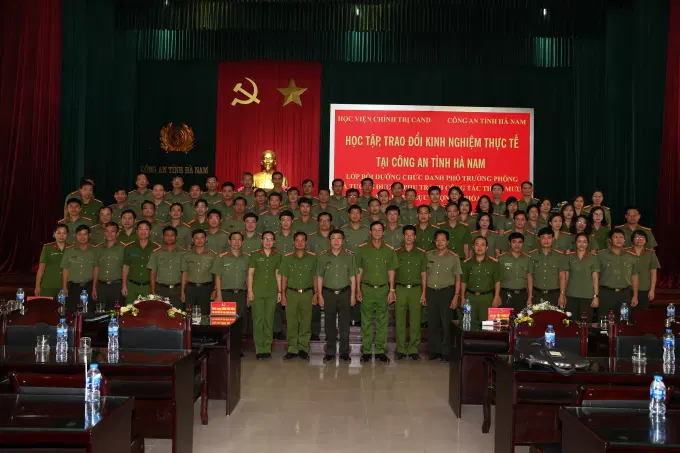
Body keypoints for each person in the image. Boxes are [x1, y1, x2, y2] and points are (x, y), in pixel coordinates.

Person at [355, 221, 398, 363]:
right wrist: (358, 289)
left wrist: (392, 289)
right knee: (366, 321)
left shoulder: (389, 250)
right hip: (366, 289)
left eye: (380, 230)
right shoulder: (362, 249)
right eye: (374, 230)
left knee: (382, 321)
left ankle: (380, 350)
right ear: (370, 232)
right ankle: (366, 351)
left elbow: (391, 271)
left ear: (383, 232)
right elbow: (359, 270)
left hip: (383, 289)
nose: (377, 232)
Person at [316, 230, 358, 362]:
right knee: (329, 324)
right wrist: (319, 295)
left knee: (344, 324)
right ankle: (330, 352)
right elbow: (319, 277)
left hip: (345, 293)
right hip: (328, 294)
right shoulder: (322, 257)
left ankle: (344, 352)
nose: (336, 241)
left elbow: (353, 277)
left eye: (339, 238)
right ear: (329, 241)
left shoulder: (349, 257)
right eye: (333, 238)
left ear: (343, 240)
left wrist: (353, 295)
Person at [425, 230, 462, 362]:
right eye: (437, 240)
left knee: (447, 323)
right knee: (432, 322)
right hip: (431, 292)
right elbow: (424, 274)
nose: (440, 242)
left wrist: (456, 295)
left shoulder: (454, 257)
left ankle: (446, 352)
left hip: (447, 292)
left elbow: (458, 277)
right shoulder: (428, 255)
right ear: (434, 241)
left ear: (447, 242)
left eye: (443, 240)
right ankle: (434, 350)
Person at [279, 232, 317, 360]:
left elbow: (315, 277)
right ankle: (292, 348)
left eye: (302, 240)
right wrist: (283, 295)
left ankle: (304, 349)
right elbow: (284, 278)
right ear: (293, 242)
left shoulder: (313, 258)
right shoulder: (287, 258)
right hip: (291, 294)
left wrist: (316, 293)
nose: (300, 243)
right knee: (291, 322)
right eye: (297, 240)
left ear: (306, 243)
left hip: (307, 293)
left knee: (306, 322)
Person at [393, 225, 427, 360]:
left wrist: (424, 292)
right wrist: (392, 289)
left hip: (416, 289)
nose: (409, 237)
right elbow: (392, 272)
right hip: (400, 289)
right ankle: (401, 348)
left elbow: (424, 274)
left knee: (415, 321)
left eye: (411, 235)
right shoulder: (396, 253)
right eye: (406, 234)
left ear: (415, 237)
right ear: (403, 236)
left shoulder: (421, 253)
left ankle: (413, 348)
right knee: (400, 320)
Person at [248, 231, 282, 359]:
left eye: (271, 239)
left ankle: (267, 347)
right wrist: (250, 291)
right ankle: (259, 348)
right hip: (257, 292)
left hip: (271, 292)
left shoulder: (277, 256)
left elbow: (278, 275)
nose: (268, 242)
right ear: (262, 241)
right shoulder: (255, 255)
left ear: (274, 242)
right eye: (266, 239)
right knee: (258, 320)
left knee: (269, 320)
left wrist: (279, 291)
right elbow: (250, 273)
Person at [213, 232, 251, 337]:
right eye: (234, 239)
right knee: (226, 323)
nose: (236, 242)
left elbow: (248, 278)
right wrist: (219, 296)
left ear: (242, 242)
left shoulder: (247, 258)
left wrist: (248, 295)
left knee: (241, 324)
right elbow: (218, 277)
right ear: (229, 242)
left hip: (241, 294)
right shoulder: (222, 257)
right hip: (226, 294)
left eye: (239, 239)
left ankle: (240, 345)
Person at [598, 228, 639, 318]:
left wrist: (635, 296)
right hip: (605, 293)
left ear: (624, 240)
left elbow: (634, 276)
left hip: (624, 294)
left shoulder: (631, 256)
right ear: (610, 240)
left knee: (623, 322)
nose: (619, 239)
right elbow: (595, 275)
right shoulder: (601, 255)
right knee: (603, 321)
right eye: (616, 237)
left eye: (621, 237)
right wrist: (595, 295)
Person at [460, 236, 501, 323]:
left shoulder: (493, 263)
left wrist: (496, 297)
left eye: (482, 245)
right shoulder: (467, 263)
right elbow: (464, 281)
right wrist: (462, 297)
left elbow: (497, 281)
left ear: (486, 248)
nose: (479, 247)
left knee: (487, 325)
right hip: (470, 298)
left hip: (487, 298)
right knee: (469, 324)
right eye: (477, 244)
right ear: (473, 247)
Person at [60, 224, 97, 312]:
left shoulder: (95, 251)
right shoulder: (69, 250)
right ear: (76, 236)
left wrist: (94, 287)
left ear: (89, 235)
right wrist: (64, 287)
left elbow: (96, 269)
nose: (82, 237)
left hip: (89, 286)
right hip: (73, 288)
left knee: (89, 312)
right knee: (72, 312)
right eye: (79, 234)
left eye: (85, 234)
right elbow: (65, 269)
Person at [564, 233, 600, 322]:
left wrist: (596, 296)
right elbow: (566, 277)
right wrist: (563, 294)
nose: (582, 244)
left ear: (588, 244)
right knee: (571, 323)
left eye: (584, 242)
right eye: (579, 241)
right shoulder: (569, 257)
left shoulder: (593, 258)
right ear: (575, 243)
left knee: (585, 323)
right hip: (571, 295)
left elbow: (595, 278)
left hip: (587, 296)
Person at [181, 229, 217, 313]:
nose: (199, 240)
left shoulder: (212, 255)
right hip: (190, 289)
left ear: (206, 239)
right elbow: (184, 274)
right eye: (196, 238)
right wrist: (182, 291)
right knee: (189, 314)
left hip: (206, 289)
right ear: (192, 240)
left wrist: (215, 290)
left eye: (202, 237)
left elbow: (216, 275)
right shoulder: (187, 255)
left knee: (205, 314)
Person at [530, 228, 568, 307]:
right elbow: (530, 277)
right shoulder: (532, 255)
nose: (546, 240)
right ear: (539, 239)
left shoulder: (560, 256)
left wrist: (562, 295)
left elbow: (562, 276)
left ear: (553, 239)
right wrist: (529, 296)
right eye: (543, 237)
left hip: (554, 294)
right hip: (536, 294)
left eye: (549, 237)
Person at [148, 226, 184, 307]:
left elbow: (184, 273)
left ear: (176, 237)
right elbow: (153, 273)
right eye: (167, 235)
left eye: (172, 235)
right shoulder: (156, 253)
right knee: (160, 313)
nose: (169, 237)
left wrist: (183, 291)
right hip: (161, 290)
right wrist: (153, 291)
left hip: (177, 290)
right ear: (163, 237)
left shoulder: (182, 253)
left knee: (178, 312)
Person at [122, 221, 158, 302]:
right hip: (132, 287)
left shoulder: (156, 248)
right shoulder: (129, 247)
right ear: (137, 231)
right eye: (140, 229)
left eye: (146, 229)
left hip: (148, 287)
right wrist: (124, 285)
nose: (143, 232)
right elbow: (126, 266)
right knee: (130, 309)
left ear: (150, 232)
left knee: (148, 309)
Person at [498, 232, 533, 313]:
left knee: (522, 319)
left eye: (520, 242)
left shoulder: (528, 259)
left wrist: (530, 297)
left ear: (523, 243)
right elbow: (497, 279)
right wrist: (497, 296)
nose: (517, 245)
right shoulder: (501, 259)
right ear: (509, 243)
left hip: (522, 295)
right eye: (514, 242)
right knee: (505, 319)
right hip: (505, 295)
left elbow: (530, 278)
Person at [93, 222, 126, 309]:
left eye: (112, 231)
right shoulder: (98, 248)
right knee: (100, 313)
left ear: (117, 233)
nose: (109, 234)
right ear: (104, 232)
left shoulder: (123, 248)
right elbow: (96, 267)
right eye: (107, 231)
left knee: (117, 312)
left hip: (117, 286)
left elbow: (125, 268)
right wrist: (94, 287)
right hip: (101, 286)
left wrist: (124, 286)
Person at [35, 224, 70, 300]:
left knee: (62, 306)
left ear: (67, 235)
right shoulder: (47, 247)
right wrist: (37, 286)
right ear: (54, 234)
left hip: (65, 285)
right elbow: (41, 269)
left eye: (64, 233)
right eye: (59, 233)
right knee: (46, 306)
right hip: (48, 284)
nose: (61, 235)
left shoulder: (71, 248)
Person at [628, 230, 660, 312]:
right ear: (632, 240)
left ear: (646, 240)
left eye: (642, 237)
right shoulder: (626, 252)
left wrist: (652, 290)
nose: (639, 239)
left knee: (642, 314)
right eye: (637, 237)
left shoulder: (651, 254)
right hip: (628, 288)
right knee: (627, 314)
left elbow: (653, 273)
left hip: (644, 288)